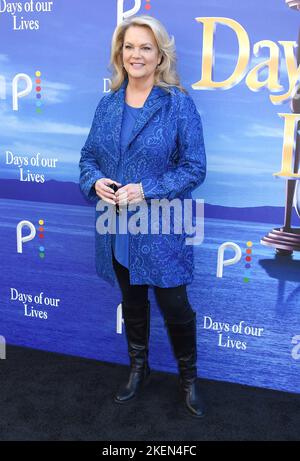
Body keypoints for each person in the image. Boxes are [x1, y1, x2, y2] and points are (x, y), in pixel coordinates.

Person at [79, 14, 207, 418]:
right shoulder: (107, 104)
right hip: (116, 228)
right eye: (129, 46)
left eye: (145, 47)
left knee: (175, 308)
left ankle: (188, 381)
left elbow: (194, 168)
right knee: (132, 304)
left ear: (159, 55)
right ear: (120, 53)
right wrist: (95, 180)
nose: (136, 54)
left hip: (162, 228)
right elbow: (87, 158)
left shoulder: (177, 103)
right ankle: (140, 369)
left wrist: (146, 189)